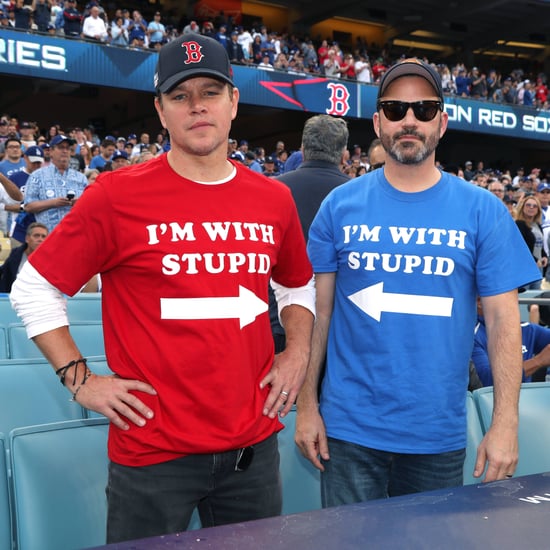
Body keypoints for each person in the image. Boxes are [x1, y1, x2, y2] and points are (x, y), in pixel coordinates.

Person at [10, 34, 314, 544]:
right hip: (153, 454)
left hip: (252, 450)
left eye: (211, 92)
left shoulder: (273, 198)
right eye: (180, 95)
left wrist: (298, 350)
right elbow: (33, 288)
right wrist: (80, 380)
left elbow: (297, 285)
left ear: (234, 103)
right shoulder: (115, 195)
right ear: (161, 110)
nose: (197, 106)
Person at [295, 58, 540, 508]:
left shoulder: (482, 210)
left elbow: (506, 323)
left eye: (424, 110)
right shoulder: (338, 205)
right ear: (377, 122)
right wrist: (307, 405)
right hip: (348, 433)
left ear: (442, 123)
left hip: (437, 435)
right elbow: (320, 312)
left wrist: (505, 423)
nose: (409, 120)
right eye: (395, 109)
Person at [270, 114, 350, 352]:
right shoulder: (358, 197)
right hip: (335, 331)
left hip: (279, 323)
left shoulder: (273, 190)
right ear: (344, 154)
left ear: (302, 150)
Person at [472, 297, 550, 386]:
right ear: (479, 302)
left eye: (515, 293)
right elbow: (489, 380)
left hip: (528, 398)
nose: (514, 300)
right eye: (506, 293)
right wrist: (538, 361)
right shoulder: (472, 336)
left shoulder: (526, 329)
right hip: (491, 399)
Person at [23, 135, 88, 233]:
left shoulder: (81, 178)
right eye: (61, 147)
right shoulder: (37, 176)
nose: (65, 151)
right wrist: (53, 203)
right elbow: (28, 206)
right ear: (51, 152)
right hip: (48, 236)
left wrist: (79, 202)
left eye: (67, 148)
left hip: (75, 234)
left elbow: (90, 206)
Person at [0, 222, 48, 292]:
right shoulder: (15, 255)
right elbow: (4, 272)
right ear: (27, 239)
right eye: (36, 236)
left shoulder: (51, 259)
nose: (40, 239)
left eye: (43, 236)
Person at [515, 194, 547, 290]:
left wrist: (544, 255)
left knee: (535, 297)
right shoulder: (519, 224)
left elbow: (540, 244)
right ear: (523, 207)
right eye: (528, 205)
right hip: (525, 267)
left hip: (538, 267)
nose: (531, 208)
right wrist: (535, 260)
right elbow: (519, 247)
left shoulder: (537, 224)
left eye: (534, 206)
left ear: (538, 209)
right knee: (526, 298)